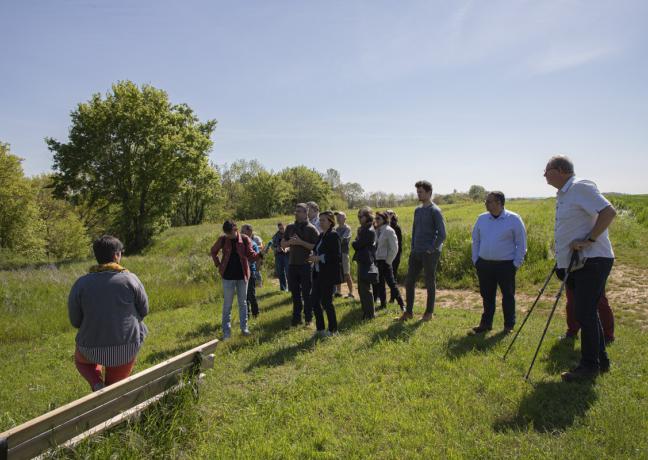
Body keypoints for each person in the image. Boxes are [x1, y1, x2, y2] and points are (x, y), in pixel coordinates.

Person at [544, 155, 617, 382]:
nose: (544, 175)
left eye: (547, 170)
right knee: (586, 312)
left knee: (584, 312)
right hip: (576, 263)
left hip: (592, 260)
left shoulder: (579, 187)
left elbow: (609, 212)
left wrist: (590, 240)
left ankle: (588, 367)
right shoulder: (565, 193)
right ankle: (600, 362)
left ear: (560, 170)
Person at [68, 235, 149, 392]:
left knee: (82, 362)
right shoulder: (131, 279)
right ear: (116, 255)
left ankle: (96, 383)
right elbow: (144, 311)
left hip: (89, 350)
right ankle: (111, 388)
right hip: (124, 351)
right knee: (114, 387)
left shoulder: (81, 284)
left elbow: (75, 321)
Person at [470, 191, 527, 335]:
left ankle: (509, 325)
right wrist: (476, 260)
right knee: (487, 296)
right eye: (486, 201)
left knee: (508, 296)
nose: (486, 203)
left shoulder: (514, 219)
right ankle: (486, 324)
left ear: (499, 203)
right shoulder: (481, 219)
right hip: (484, 264)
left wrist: (516, 264)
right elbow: (475, 240)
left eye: (489, 201)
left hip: (506, 265)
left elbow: (521, 244)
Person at [399, 180, 446, 322]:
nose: (418, 194)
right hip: (416, 252)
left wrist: (432, 248)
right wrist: (413, 247)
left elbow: (442, 234)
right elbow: (414, 230)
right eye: (417, 192)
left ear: (429, 193)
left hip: (429, 253)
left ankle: (429, 312)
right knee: (409, 281)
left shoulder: (435, 211)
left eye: (421, 192)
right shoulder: (417, 210)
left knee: (429, 282)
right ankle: (408, 312)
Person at [210, 220, 262, 339]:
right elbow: (213, 251)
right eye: (226, 233)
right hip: (227, 277)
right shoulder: (223, 239)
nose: (229, 235)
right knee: (227, 305)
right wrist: (218, 264)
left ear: (236, 229)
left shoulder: (244, 239)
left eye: (230, 233)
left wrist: (260, 255)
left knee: (243, 303)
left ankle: (244, 329)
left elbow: (251, 255)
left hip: (242, 276)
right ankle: (226, 333)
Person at [282, 203, 320, 326]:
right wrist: (290, 243)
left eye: (299, 211)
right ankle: (296, 319)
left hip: (306, 265)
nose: (296, 213)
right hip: (292, 264)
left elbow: (316, 246)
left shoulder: (311, 228)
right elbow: (283, 244)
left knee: (307, 293)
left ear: (305, 213)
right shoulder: (290, 227)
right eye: (295, 211)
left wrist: (300, 242)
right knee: (295, 293)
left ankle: (308, 318)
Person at [308, 211, 343, 337]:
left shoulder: (333, 235)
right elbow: (315, 249)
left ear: (330, 222)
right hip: (318, 273)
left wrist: (319, 258)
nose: (320, 222)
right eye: (320, 220)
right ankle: (320, 329)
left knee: (327, 302)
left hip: (328, 274)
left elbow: (336, 256)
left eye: (323, 220)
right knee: (314, 301)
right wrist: (312, 255)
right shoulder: (322, 235)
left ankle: (333, 330)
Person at [374, 211, 405, 311]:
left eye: (378, 218)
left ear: (384, 219)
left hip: (385, 261)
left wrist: (388, 261)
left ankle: (402, 305)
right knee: (380, 284)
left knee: (392, 284)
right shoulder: (377, 230)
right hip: (377, 261)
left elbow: (395, 248)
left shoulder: (389, 230)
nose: (376, 220)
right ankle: (383, 304)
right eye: (376, 218)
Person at [353, 206, 377, 320]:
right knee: (361, 289)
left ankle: (370, 314)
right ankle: (366, 312)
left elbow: (357, 245)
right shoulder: (364, 228)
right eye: (358, 216)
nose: (358, 218)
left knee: (365, 289)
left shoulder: (368, 230)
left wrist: (355, 241)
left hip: (366, 261)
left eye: (360, 216)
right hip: (362, 260)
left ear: (367, 217)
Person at [241, 224, 261, 318]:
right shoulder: (239, 243)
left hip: (250, 271)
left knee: (250, 294)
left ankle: (255, 313)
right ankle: (246, 315)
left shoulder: (253, 244)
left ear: (249, 232)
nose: (241, 233)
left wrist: (256, 269)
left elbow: (257, 258)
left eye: (243, 231)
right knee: (243, 296)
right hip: (240, 272)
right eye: (241, 231)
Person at [334, 211, 355, 299]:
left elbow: (343, 239)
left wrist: (335, 240)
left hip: (344, 253)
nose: (338, 218)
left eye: (340, 217)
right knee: (337, 272)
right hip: (336, 253)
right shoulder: (336, 229)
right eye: (337, 217)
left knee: (346, 273)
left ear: (345, 218)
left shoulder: (347, 228)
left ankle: (351, 292)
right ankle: (338, 292)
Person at [266, 222, 289, 292]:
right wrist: (276, 249)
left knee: (289, 272)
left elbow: (292, 244)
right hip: (278, 255)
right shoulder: (276, 235)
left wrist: (287, 248)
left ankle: (291, 288)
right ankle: (283, 289)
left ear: (285, 226)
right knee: (280, 272)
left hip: (287, 255)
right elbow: (272, 246)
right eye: (279, 228)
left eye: (282, 228)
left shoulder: (289, 234)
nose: (281, 229)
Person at [386, 209, 403, 303]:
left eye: (390, 213)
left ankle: (393, 298)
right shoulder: (384, 226)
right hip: (386, 255)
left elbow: (399, 244)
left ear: (393, 215)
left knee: (393, 276)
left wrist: (396, 256)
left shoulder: (396, 227)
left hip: (395, 255)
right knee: (386, 277)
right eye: (387, 213)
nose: (388, 214)